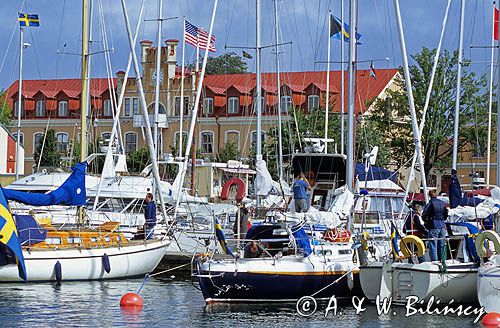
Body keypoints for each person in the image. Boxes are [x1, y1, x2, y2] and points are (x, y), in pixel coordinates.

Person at [422, 190, 448, 262]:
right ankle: (443, 260)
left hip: (433, 226)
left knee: (433, 245)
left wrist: (427, 222)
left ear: (429, 195)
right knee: (442, 244)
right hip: (442, 226)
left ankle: (435, 261)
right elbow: (446, 215)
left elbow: (424, 215)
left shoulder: (430, 204)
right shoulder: (443, 203)